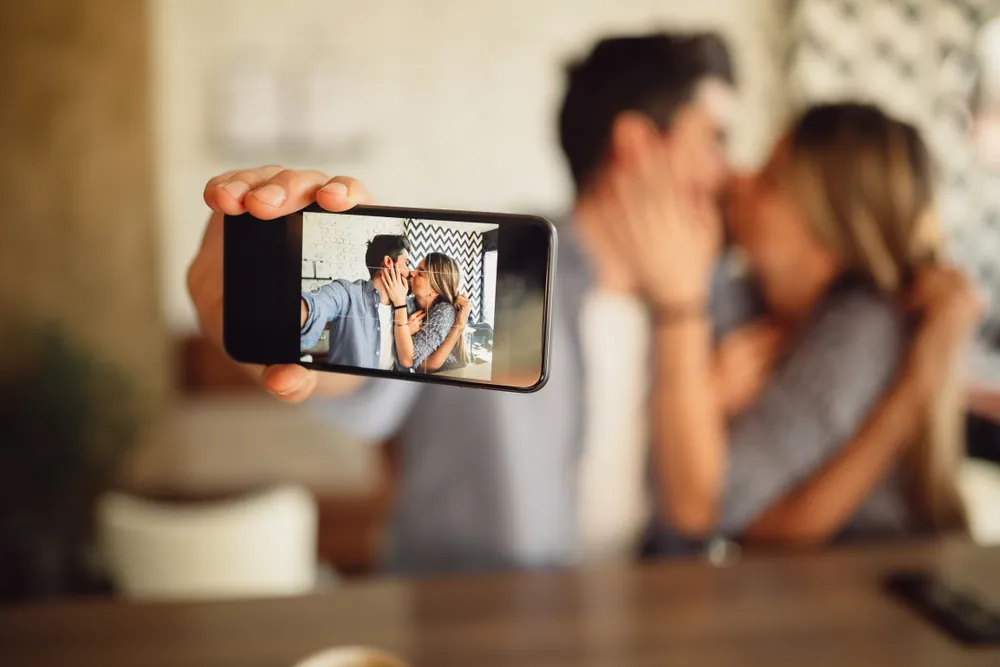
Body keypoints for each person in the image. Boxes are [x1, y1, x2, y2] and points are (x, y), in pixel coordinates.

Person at [188, 34, 977, 573]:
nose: (732, 177)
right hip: (468, 632)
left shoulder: (735, 311)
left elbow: (727, 499)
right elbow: (367, 374)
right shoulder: (494, 268)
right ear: (638, 147)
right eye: (715, 140)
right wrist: (263, 323)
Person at [631, 103, 980, 554]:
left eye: (771, 182)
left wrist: (704, 397)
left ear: (828, 232)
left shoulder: (862, 328)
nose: (739, 180)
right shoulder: (752, 295)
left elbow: (723, 506)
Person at [300, 234, 421, 370]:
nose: (410, 271)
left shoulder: (408, 306)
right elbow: (316, 305)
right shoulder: (347, 293)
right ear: (388, 263)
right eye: (407, 263)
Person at [383, 252, 469, 373]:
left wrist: (406, 331)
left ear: (434, 291)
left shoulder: (444, 311)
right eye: (416, 268)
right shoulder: (413, 304)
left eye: (421, 273)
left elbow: (417, 364)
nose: (412, 273)